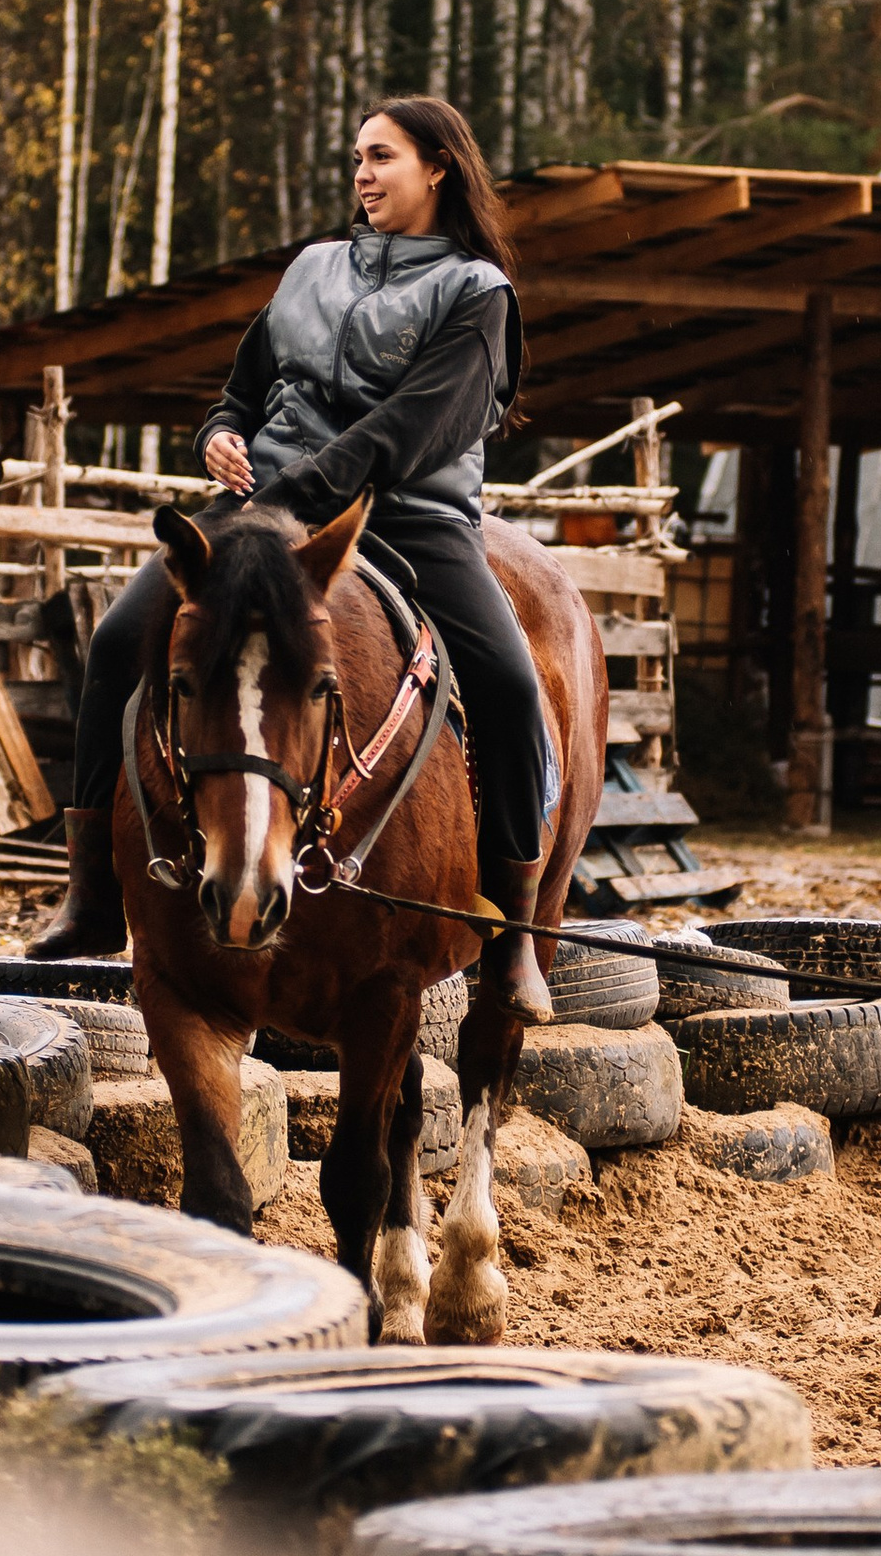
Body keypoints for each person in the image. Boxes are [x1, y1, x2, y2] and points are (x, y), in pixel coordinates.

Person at [32, 98, 558, 1020]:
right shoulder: (311, 269)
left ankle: (513, 940)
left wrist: (294, 496)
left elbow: (408, 431)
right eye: (355, 156)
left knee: (512, 686)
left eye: (381, 156)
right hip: (262, 511)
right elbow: (245, 385)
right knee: (119, 639)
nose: (361, 173)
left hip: (409, 515)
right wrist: (222, 435)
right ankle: (90, 895)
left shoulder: (480, 295)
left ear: (438, 167)